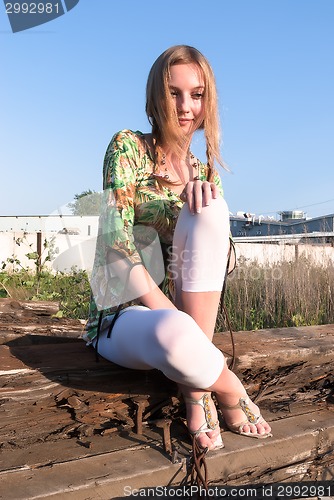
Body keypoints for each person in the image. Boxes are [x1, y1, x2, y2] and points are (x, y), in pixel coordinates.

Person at [84, 45, 272, 451]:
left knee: (209, 207)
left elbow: (218, 261)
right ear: (156, 96)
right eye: (174, 93)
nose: (186, 106)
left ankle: (193, 385)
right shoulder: (128, 148)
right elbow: (116, 250)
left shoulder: (205, 172)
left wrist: (201, 204)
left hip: (187, 314)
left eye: (197, 94)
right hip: (125, 315)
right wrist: (179, 320)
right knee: (174, 333)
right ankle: (223, 389)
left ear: (208, 101)